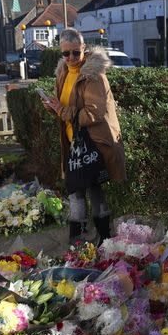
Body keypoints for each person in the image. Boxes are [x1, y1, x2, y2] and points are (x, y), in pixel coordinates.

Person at [42, 28, 126, 245]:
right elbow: (67, 108)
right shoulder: (63, 72)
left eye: (75, 53)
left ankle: (95, 240)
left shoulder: (93, 75)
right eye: (65, 53)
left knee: (88, 190)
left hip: (94, 143)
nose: (70, 58)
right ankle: (89, 241)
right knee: (79, 190)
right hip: (74, 143)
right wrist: (54, 107)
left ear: (83, 50)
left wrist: (61, 110)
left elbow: (93, 113)